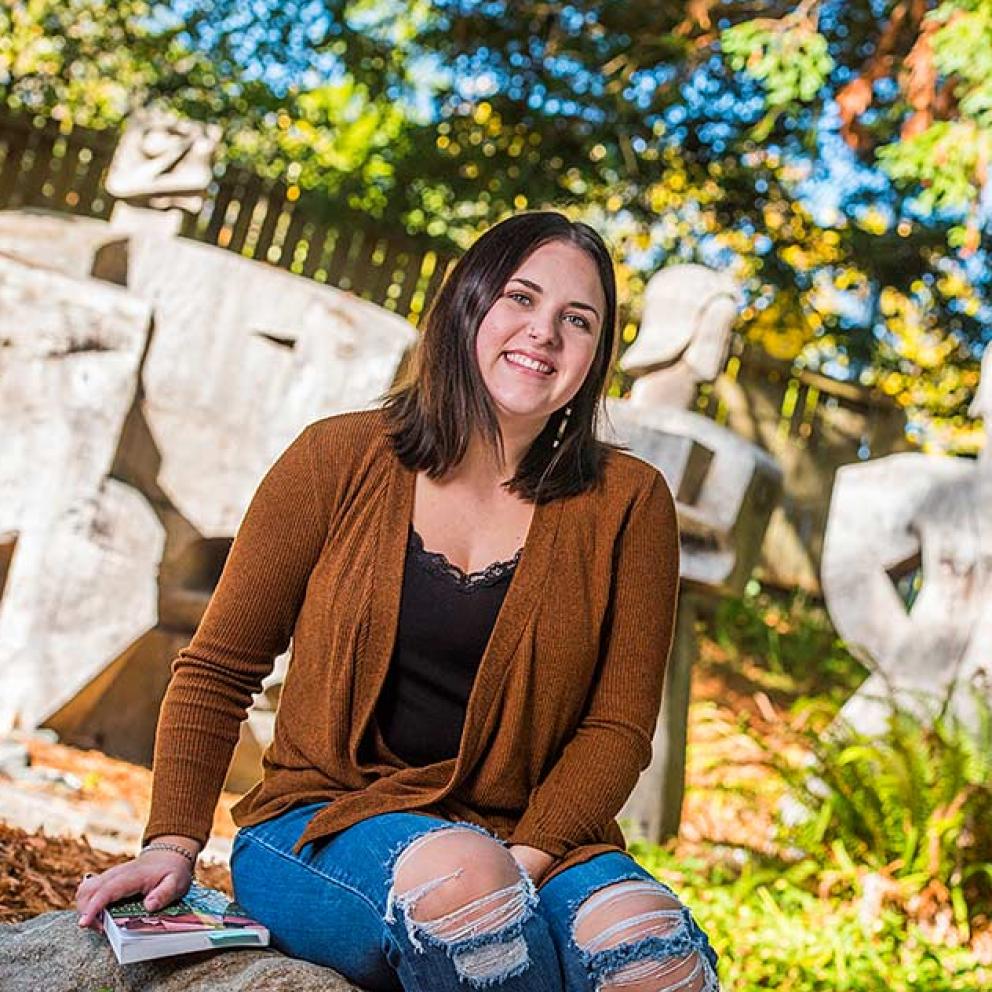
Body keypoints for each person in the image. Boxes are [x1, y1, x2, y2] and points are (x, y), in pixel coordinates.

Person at [76, 211, 719, 992]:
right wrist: (172, 842)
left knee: (649, 948)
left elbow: (617, 729)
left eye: (575, 319)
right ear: (467, 306)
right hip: (322, 826)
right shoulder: (337, 457)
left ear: (596, 355)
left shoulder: (629, 501)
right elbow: (218, 668)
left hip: (532, 841)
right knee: (470, 902)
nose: (544, 332)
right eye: (521, 298)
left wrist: (524, 868)